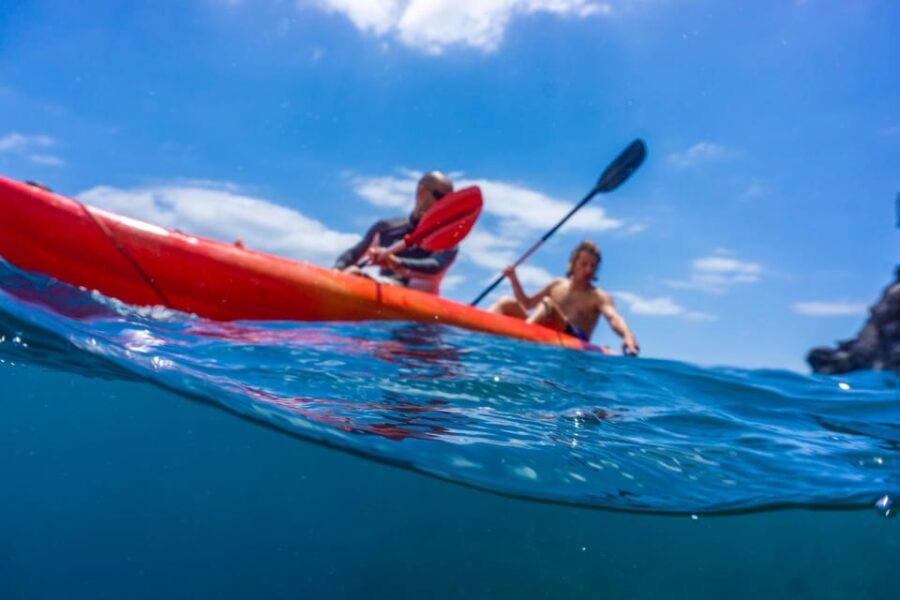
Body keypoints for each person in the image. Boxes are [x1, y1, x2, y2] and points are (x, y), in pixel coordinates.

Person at [489, 240, 640, 355]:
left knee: (548, 305)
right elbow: (528, 304)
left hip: (574, 342)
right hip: (543, 331)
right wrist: (514, 279)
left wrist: (627, 336)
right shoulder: (557, 285)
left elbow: (614, 318)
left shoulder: (598, 296)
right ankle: (471, 338)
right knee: (506, 302)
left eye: (593, 266)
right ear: (573, 264)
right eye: (584, 264)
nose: (588, 269)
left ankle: (518, 346)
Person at [334, 171, 456, 295]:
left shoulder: (449, 237)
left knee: (355, 275)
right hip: (383, 292)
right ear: (422, 191)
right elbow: (353, 254)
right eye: (440, 197)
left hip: (418, 302)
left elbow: (435, 266)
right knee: (351, 272)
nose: (444, 205)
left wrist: (396, 262)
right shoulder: (386, 228)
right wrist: (335, 272)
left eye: (449, 200)